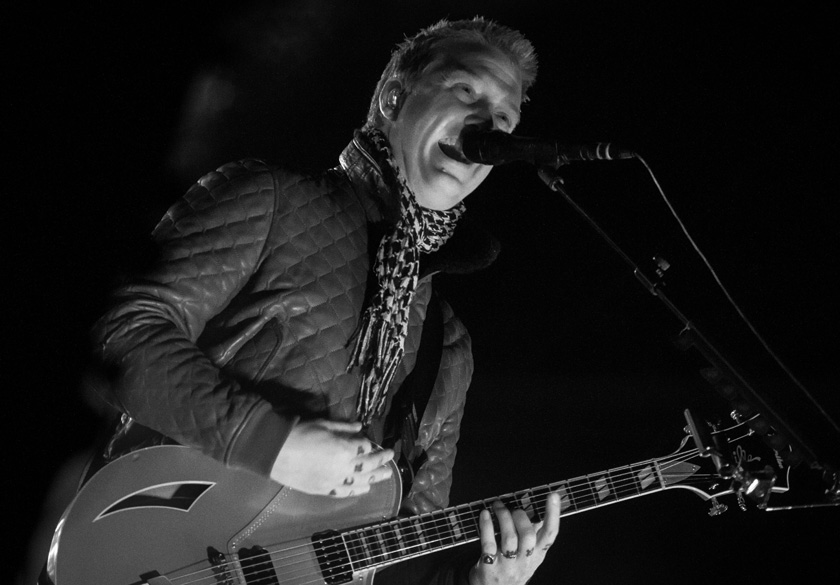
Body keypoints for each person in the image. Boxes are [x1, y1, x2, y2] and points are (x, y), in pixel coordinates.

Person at [46, 17, 559, 585]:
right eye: (466, 90)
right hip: (150, 559)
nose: (488, 124)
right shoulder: (271, 200)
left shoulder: (449, 346)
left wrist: (480, 581)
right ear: (394, 98)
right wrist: (274, 445)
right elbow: (119, 332)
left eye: (505, 121)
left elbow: (394, 556)